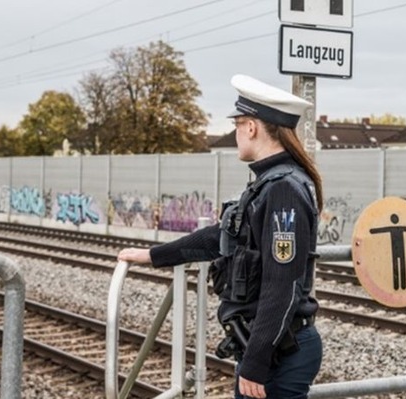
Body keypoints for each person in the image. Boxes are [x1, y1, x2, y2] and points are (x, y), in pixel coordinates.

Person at [118, 74, 323, 399]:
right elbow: (220, 237)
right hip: (270, 346)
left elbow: (283, 284)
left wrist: (257, 360)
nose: (236, 133)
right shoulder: (268, 183)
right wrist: (153, 255)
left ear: (252, 127)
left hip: (278, 352)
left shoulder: (284, 189)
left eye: (238, 124)